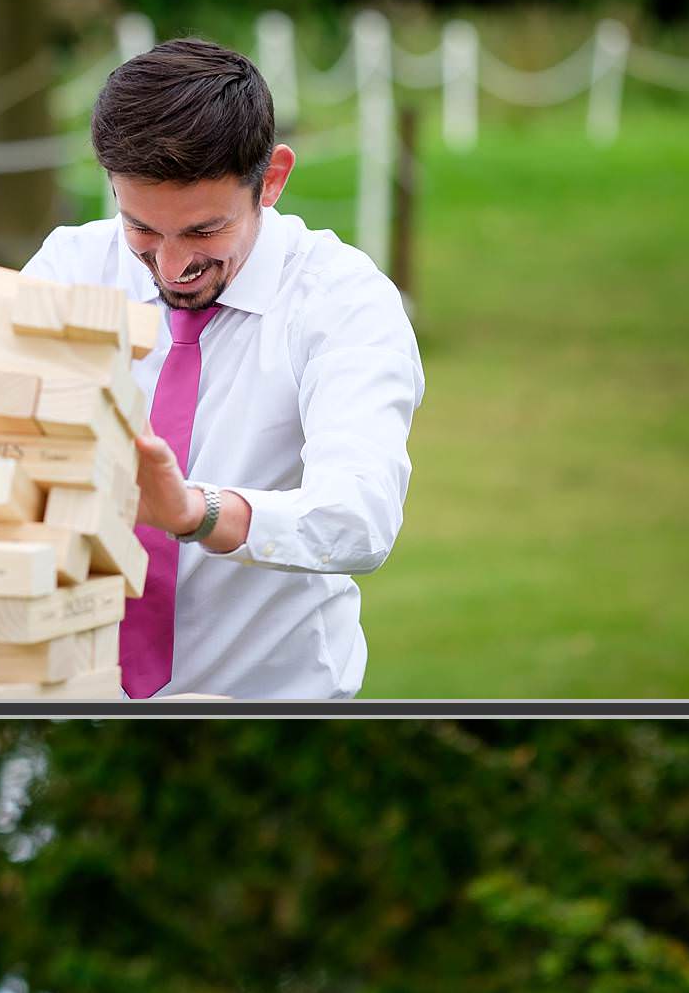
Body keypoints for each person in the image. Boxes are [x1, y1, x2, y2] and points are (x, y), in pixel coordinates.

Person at [23, 37, 423, 702]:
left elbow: (359, 517)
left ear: (272, 179)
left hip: (270, 711)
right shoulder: (72, 265)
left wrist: (194, 512)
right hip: (74, 706)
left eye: (205, 232)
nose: (172, 266)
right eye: (142, 229)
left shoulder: (343, 300)